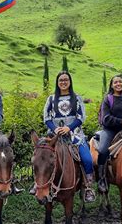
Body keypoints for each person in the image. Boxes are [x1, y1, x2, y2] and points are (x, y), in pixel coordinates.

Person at [40, 70, 96, 202]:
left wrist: (68, 128)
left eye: (66, 80)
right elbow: (46, 118)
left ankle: (87, 187)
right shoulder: (51, 99)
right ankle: (39, 185)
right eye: (61, 80)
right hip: (54, 135)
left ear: (70, 82)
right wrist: (55, 129)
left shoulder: (77, 98)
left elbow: (81, 117)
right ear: (57, 83)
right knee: (41, 157)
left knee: (87, 159)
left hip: (75, 135)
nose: (63, 82)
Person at [96, 75, 122, 192]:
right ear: (112, 85)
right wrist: (121, 121)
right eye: (116, 82)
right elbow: (105, 118)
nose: (118, 84)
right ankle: (102, 178)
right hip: (110, 130)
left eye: (120, 82)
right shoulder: (108, 98)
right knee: (103, 150)